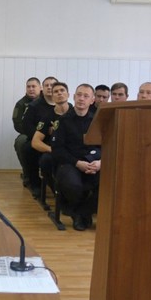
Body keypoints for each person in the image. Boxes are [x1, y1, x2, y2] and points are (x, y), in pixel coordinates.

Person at [51, 84, 100, 231]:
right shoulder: (63, 121)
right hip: (70, 163)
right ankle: (79, 214)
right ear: (73, 97)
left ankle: (81, 212)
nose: (81, 99)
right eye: (79, 95)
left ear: (92, 100)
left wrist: (100, 162)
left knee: (109, 184)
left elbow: (105, 146)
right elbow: (57, 150)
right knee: (73, 185)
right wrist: (77, 163)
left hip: (93, 164)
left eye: (86, 96)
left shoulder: (97, 121)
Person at [29, 82, 71, 199]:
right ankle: (57, 193)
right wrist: (53, 150)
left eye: (62, 90)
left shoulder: (76, 112)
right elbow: (35, 142)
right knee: (45, 161)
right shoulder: (47, 116)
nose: (59, 93)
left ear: (68, 94)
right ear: (52, 96)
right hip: (54, 151)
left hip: (73, 151)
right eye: (56, 92)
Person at [13, 77, 41, 186]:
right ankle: (27, 174)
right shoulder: (21, 104)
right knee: (20, 142)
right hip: (27, 134)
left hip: (45, 134)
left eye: (34, 86)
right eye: (28, 87)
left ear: (40, 87)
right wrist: (33, 133)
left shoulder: (46, 101)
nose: (31, 89)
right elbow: (17, 124)